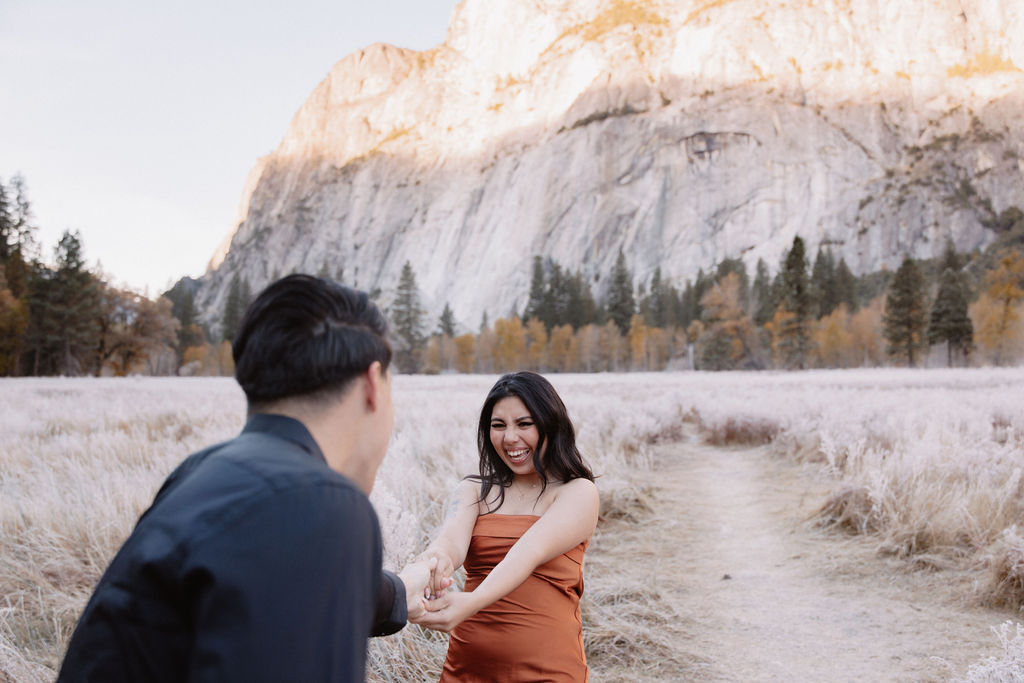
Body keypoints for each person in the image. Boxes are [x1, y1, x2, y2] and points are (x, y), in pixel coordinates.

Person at [58, 274, 434, 682]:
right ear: (372, 384)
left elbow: (270, 582)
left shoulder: (200, 471)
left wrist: (402, 590)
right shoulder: (324, 499)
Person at [412, 371, 600, 682]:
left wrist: (471, 603)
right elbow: (448, 545)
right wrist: (422, 573)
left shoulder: (577, 492)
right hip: (467, 668)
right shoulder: (474, 490)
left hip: (547, 669)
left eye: (524, 424)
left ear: (551, 424)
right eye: (498, 425)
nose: (510, 438)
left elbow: (527, 552)